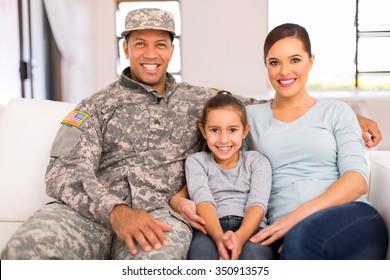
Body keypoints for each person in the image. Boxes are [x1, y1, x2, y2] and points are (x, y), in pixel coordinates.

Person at [0, 8, 383, 260]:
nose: (151, 53)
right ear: (125, 48)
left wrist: (350, 116)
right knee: (25, 252)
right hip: (90, 213)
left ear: (171, 49)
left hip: (160, 218)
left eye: (160, 44)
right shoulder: (94, 105)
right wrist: (115, 212)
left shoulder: (200, 100)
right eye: (140, 43)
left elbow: (274, 102)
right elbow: (62, 171)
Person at [245, 23, 388, 259]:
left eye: (295, 60)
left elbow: (357, 181)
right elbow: (229, 169)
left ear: (310, 61)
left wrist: (297, 217)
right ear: (266, 66)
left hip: (349, 216)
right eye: (274, 62)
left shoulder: (337, 112)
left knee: (302, 240)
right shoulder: (250, 118)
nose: (284, 71)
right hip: (283, 229)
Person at [185, 91, 273, 260]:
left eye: (232, 130)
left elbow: (258, 203)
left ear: (245, 130)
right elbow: (203, 201)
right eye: (214, 130)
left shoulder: (257, 161)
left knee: (255, 256)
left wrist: (240, 238)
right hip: (210, 228)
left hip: (251, 227)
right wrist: (218, 237)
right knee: (201, 255)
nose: (223, 139)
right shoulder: (196, 162)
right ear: (203, 131)